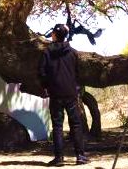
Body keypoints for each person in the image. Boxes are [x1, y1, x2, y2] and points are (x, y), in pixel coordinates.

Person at [38, 23, 88, 166]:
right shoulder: (73, 52)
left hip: (55, 94)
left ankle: (59, 158)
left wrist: (47, 86)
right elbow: (78, 73)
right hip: (71, 93)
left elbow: (41, 73)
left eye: (52, 33)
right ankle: (80, 156)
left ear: (54, 34)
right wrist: (76, 88)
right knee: (76, 124)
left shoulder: (47, 52)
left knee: (57, 126)